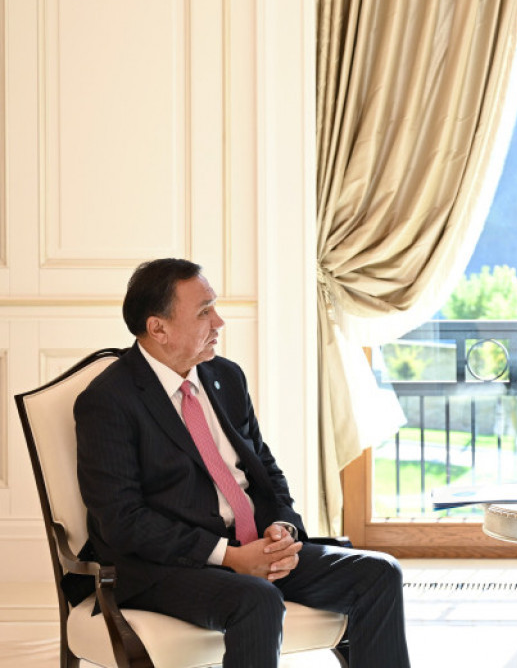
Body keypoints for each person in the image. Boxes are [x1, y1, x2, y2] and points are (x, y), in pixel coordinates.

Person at [74, 258, 411, 667]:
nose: (219, 322)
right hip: (166, 566)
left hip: (252, 546)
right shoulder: (108, 401)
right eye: (204, 312)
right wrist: (229, 556)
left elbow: (265, 469)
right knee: (257, 599)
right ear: (158, 328)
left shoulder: (225, 377)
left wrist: (283, 529)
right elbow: (124, 521)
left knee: (380, 573)